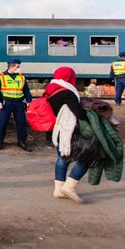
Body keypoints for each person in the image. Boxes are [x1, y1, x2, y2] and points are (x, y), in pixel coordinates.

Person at [45, 67, 89, 203]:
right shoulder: (67, 92)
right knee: (87, 156)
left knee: (62, 158)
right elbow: (78, 112)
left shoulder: (49, 90)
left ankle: (58, 189)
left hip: (55, 131)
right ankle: (70, 186)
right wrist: (91, 118)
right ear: (69, 77)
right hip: (69, 132)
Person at [0, 58, 32, 151]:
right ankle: (0, 141)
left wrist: (29, 101)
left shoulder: (21, 76)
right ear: (12, 66)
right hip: (6, 103)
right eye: (17, 66)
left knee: (21, 123)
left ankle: (22, 141)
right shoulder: (1, 76)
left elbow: (26, 90)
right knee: (2, 122)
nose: (19, 68)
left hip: (19, 103)